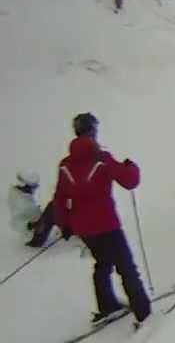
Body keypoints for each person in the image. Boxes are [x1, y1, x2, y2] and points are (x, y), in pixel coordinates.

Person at [53, 113, 150, 325]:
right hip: (107, 225)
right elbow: (129, 181)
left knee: (103, 263)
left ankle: (107, 306)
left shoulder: (65, 164)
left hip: (84, 229)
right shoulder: (101, 158)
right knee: (126, 267)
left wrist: (66, 225)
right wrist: (131, 167)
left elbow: (60, 198)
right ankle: (144, 313)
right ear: (93, 131)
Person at [8, 171, 57, 247]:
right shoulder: (18, 200)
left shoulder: (22, 194)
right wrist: (30, 225)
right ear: (24, 185)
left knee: (53, 207)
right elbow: (14, 222)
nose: (34, 189)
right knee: (53, 208)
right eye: (32, 186)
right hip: (33, 237)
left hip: (36, 227)